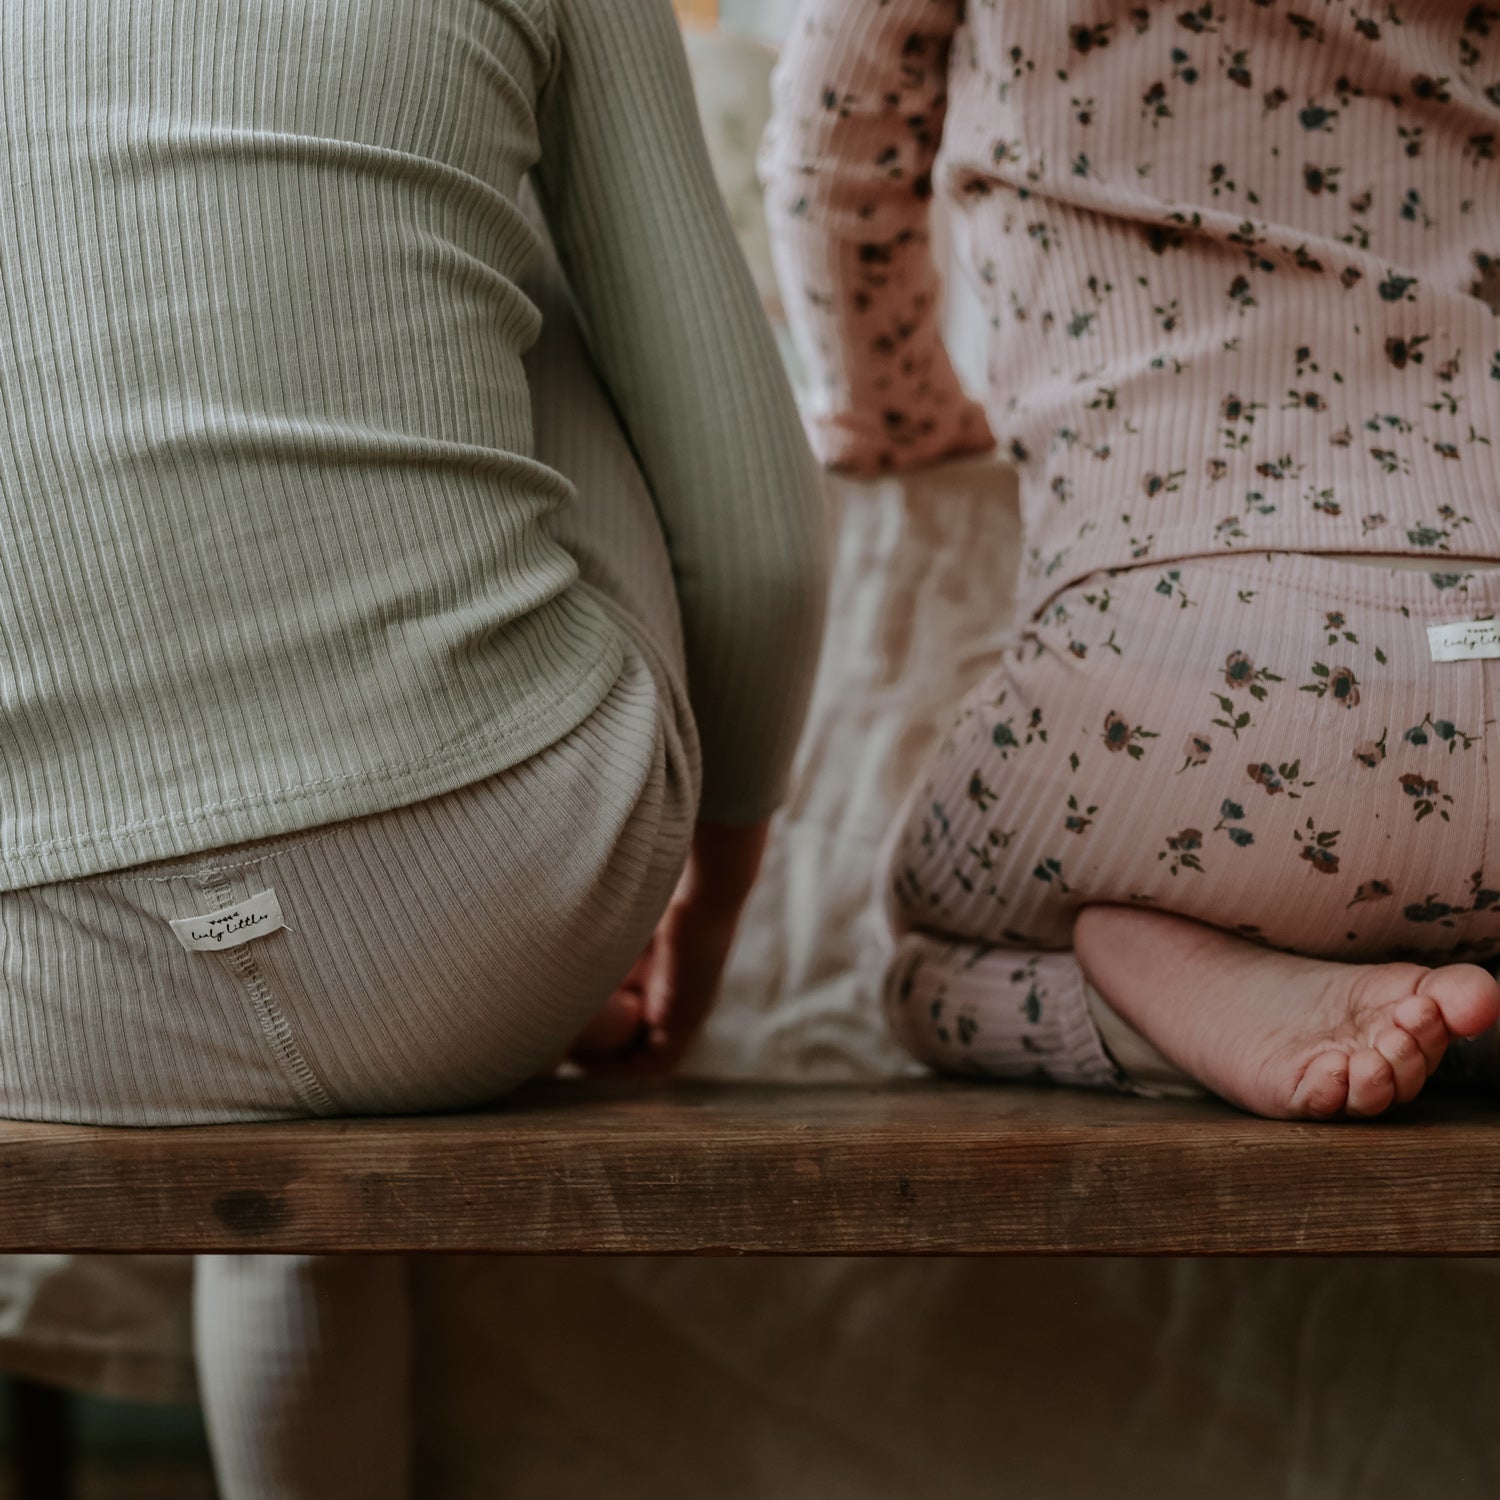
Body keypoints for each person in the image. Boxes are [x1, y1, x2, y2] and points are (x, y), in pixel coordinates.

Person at [0, 0, 827, 1492]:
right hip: (498, 891)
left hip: (43, 989)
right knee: (545, 266)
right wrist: (703, 916)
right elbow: (760, 547)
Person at [762, 0, 1500, 1119]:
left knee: (919, 959)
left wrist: (895, 413)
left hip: (1175, 676)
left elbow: (835, 148)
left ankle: (1148, 992)